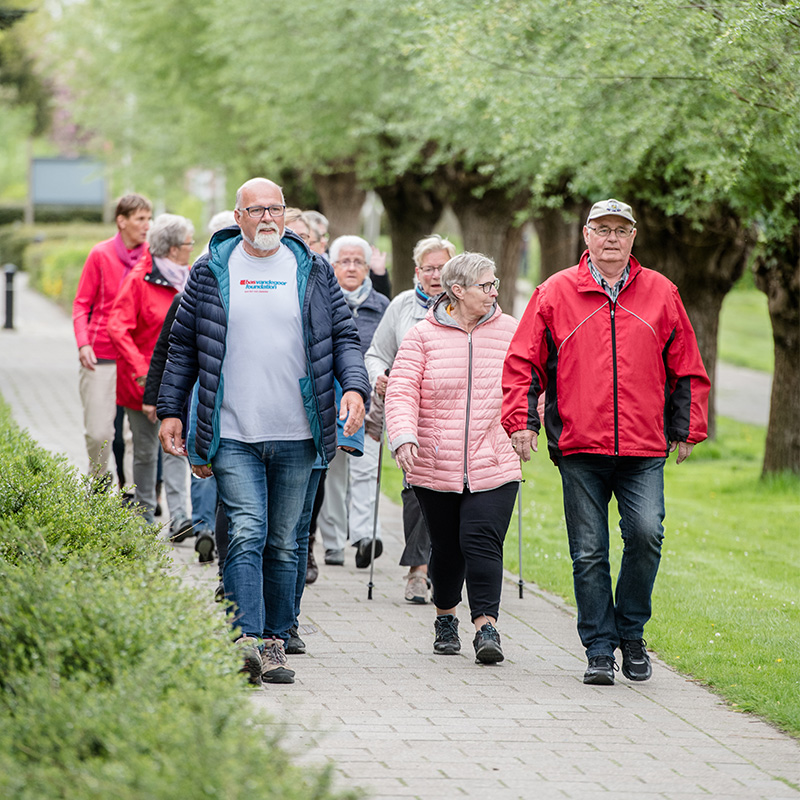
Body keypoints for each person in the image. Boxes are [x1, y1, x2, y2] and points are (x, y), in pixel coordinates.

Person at [157, 177, 369, 687]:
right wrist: (170, 410)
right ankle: (245, 638)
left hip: (299, 430)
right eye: (256, 211)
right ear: (238, 217)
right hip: (231, 430)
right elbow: (183, 344)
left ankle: (276, 640)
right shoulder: (211, 269)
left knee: (284, 541)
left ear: (285, 213)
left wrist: (355, 387)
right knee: (247, 530)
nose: (267, 218)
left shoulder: (313, 268)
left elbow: (343, 336)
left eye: (275, 208)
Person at [502, 198, 710, 686]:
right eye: (602, 228)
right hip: (578, 445)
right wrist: (520, 421)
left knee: (646, 535)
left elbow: (687, 366)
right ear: (586, 235)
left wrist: (687, 426)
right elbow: (522, 362)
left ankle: (631, 633)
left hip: (643, 446)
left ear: (633, 236)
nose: (612, 237)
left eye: (621, 229)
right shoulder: (554, 292)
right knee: (589, 551)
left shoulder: (662, 292)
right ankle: (599, 647)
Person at [385, 252, 521, 664]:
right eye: (486, 285)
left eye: (495, 283)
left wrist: (527, 425)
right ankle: (446, 616)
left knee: (481, 541)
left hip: (494, 457)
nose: (494, 291)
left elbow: (529, 383)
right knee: (446, 547)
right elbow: (403, 390)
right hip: (435, 459)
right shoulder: (422, 336)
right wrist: (404, 436)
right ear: (457, 291)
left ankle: (486, 626)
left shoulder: (511, 331)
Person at [364, 234, 456, 604]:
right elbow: (375, 353)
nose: (436, 275)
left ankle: (448, 567)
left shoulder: (467, 306)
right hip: (411, 414)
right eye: (429, 268)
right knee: (416, 489)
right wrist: (379, 376)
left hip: (456, 415)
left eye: (443, 268)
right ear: (417, 271)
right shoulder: (402, 306)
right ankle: (417, 572)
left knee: (454, 492)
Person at [108, 213, 196, 535]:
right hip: (142, 383)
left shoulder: (192, 279)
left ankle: (180, 518)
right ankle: (143, 515)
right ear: (173, 249)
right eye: (189, 243)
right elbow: (117, 327)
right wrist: (143, 370)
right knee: (145, 452)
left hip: (180, 381)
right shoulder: (139, 279)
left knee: (177, 448)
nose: (192, 248)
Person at [317, 235, 389, 568]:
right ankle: (332, 541)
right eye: (343, 261)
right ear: (332, 266)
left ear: (367, 268)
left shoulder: (382, 306)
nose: (350, 267)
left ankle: (365, 536)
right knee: (333, 470)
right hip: (330, 396)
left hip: (371, 400)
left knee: (365, 468)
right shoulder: (323, 302)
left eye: (358, 261)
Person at [72, 193, 152, 485]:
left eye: (149, 218)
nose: (147, 225)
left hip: (137, 356)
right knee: (99, 432)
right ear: (122, 221)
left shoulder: (151, 257)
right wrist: (83, 343)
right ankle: (99, 484)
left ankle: (132, 494)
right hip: (101, 355)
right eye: (140, 219)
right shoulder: (100, 254)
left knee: (134, 434)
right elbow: (81, 303)